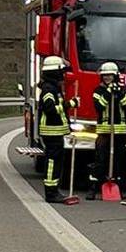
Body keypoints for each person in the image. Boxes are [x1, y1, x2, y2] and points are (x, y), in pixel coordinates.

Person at [36, 56, 78, 205]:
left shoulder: (53, 87)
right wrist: (68, 105)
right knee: (52, 162)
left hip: (56, 131)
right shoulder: (49, 89)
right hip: (51, 131)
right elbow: (50, 110)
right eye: (61, 72)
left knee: (57, 161)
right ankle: (51, 193)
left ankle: (54, 190)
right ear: (54, 72)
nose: (63, 75)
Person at [90, 61, 126, 198]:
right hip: (104, 131)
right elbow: (99, 106)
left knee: (118, 161)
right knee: (100, 160)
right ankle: (93, 189)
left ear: (115, 76)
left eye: (110, 75)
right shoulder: (98, 91)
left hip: (119, 131)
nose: (107, 78)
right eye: (105, 75)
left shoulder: (124, 90)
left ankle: (118, 188)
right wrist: (109, 93)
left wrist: (119, 93)